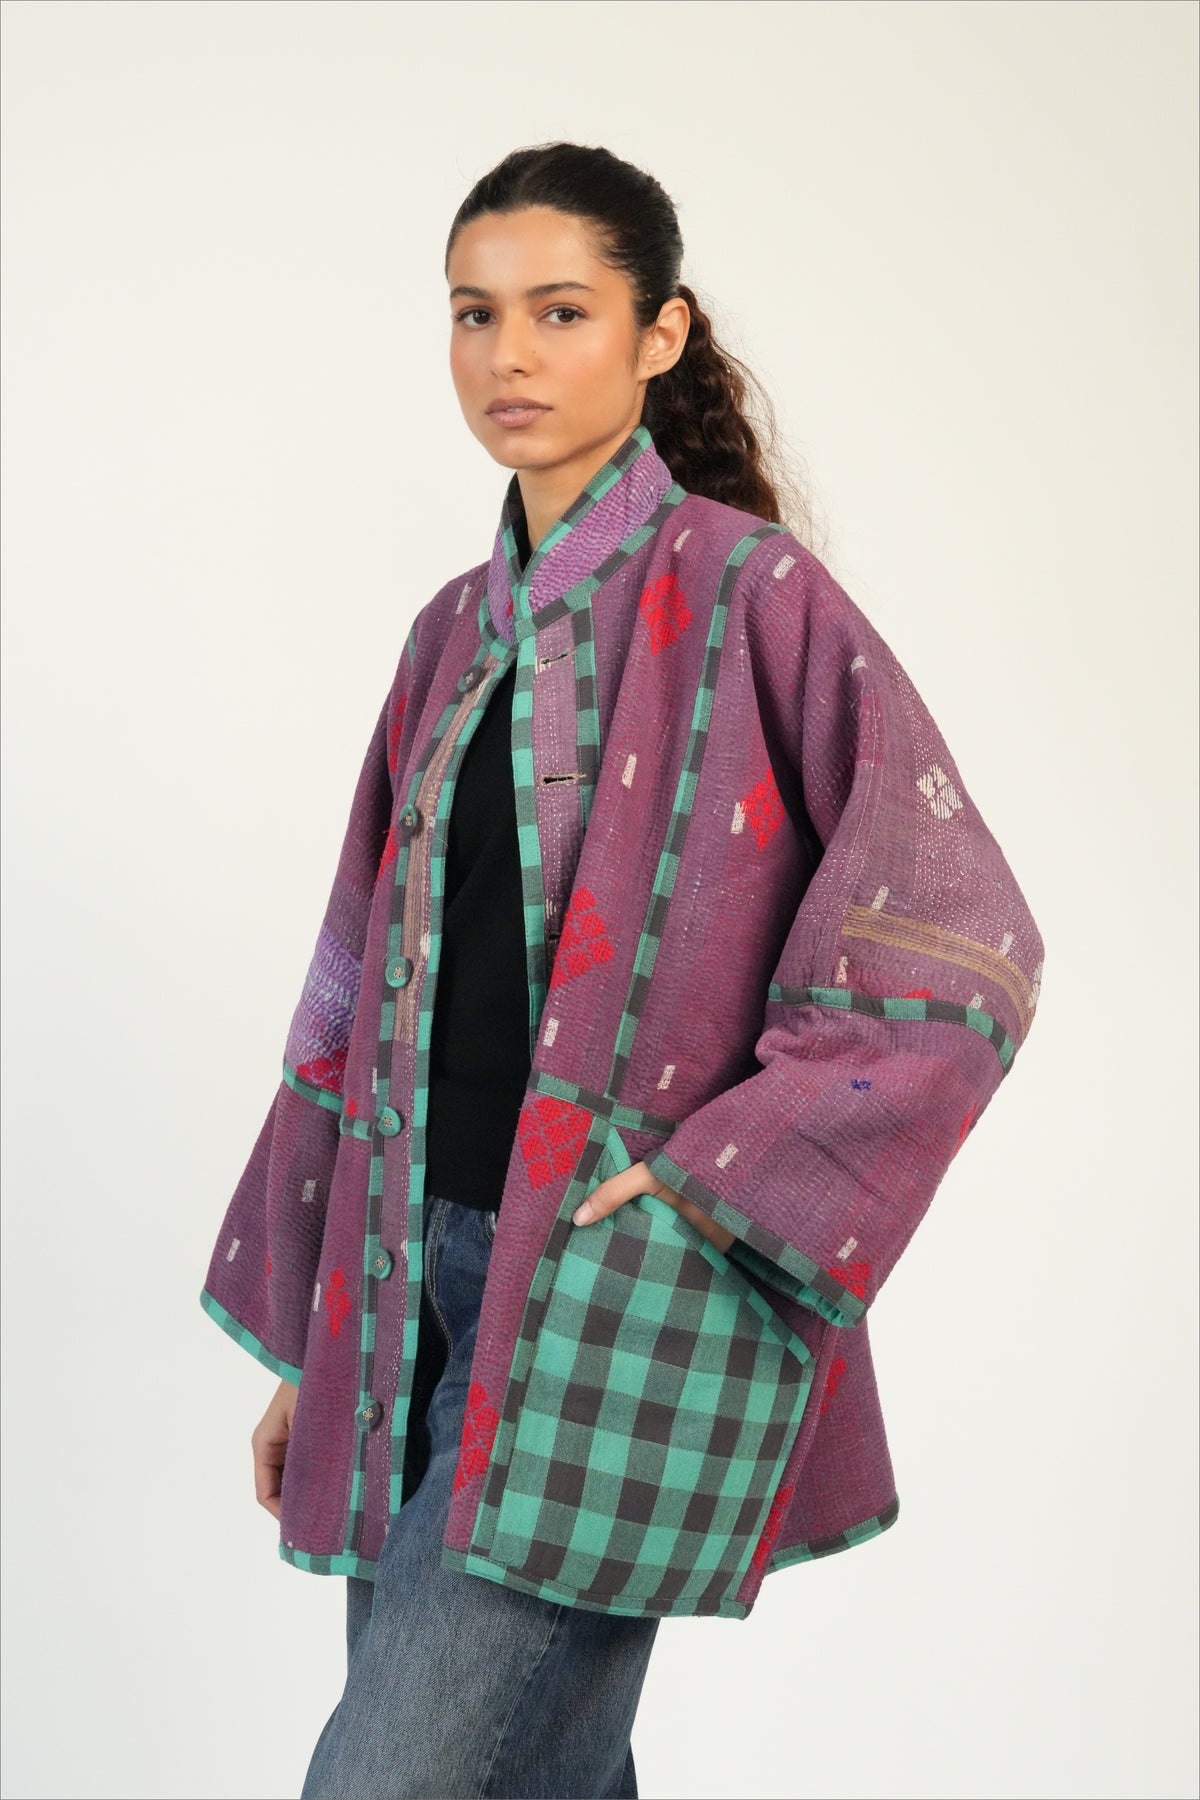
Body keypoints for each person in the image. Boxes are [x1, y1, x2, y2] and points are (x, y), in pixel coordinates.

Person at [200, 142, 1045, 1800]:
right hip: (411, 1275)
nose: (507, 354)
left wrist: (718, 1175)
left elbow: (962, 940)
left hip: (616, 1287)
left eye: (561, 310)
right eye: (474, 313)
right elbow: (361, 986)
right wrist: (323, 1339)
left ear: (660, 334)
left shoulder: (752, 592)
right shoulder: (450, 632)